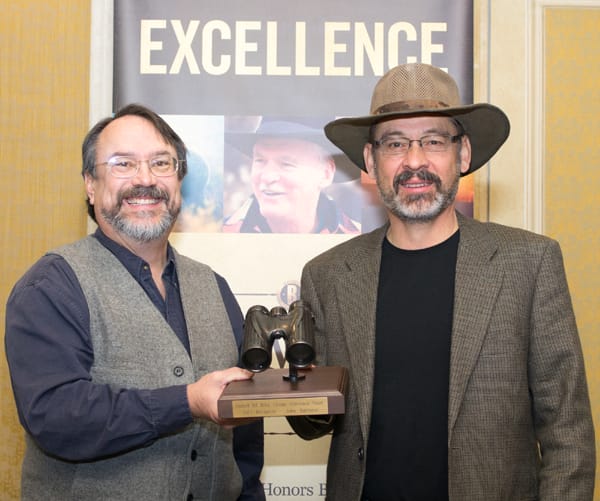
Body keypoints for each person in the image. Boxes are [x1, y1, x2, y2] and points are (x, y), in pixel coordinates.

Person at [287, 63, 595, 500]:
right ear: (371, 161)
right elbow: (314, 423)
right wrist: (289, 386)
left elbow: (568, 434)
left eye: (433, 141)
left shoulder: (529, 263)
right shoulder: (327, 275)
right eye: (395, 144)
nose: (415, 161)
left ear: (463, 154)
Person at [5, 104, 265, 501]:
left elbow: (244, 438)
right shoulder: (50, 288)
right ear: (90, 184)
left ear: (179, 180)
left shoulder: (215, 286)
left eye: (161, 163)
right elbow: (56, 416)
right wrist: (186, 401)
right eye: (122, 164)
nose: (145, 180)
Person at [223, 117, 361, 234]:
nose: (267, 177)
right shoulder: (223, 235)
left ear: (326, 173)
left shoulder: (357, 241)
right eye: (260, 160)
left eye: (286, 164)